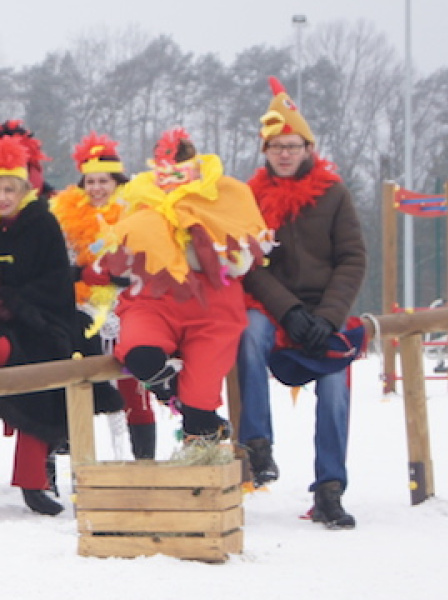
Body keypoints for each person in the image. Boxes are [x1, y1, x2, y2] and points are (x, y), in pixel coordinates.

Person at [238, 77, 366, 529]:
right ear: (266, 151)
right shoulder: (249, 198)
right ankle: (257, 445)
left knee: (334, 388)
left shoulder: (334, 195)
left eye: (292, 146)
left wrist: (327, 318)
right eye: (276, 147)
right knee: (247, 334)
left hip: (326, 310)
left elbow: (352, 259)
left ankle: (329, 490)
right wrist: (288, 311)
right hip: (273, 308)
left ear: (308, 148)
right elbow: (248, 265)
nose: (285, 154)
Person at [94, 128, 272, 444]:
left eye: (179, 171)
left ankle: (201, 429)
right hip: (155, 300)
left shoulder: (226, 194)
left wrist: (199, 240)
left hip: (212, 308)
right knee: (141, 356)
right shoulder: (142, 199)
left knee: (200, 408)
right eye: (163, 171)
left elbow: (243, 256)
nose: (171, 180)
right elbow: (122, 253)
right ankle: (177, 397)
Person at [0, 134, 76, 516]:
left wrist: (16, 303)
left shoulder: (43, 224)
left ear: (24, 190)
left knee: (37, 370)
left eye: (9, 190)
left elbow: (57, 281)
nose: (2, 198)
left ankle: (33, 479)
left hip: (38, 320)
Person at [50, 132, 158, 459]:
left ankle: (144, 461)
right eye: (91, 181)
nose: (96, 188)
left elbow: (148, 262)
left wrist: (117, 275)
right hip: (82, 308)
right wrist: (82, 273)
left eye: (104, 181)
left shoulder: (135, 213)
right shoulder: (66, 217)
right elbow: (59, 265)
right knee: (76, 376)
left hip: (128, 305)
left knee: (132, 382)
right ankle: (71, 448)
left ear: (117, 182)